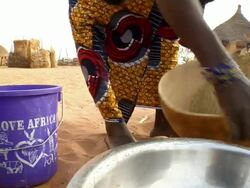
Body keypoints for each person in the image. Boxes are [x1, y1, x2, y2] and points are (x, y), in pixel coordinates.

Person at [69, 0, 250, 147]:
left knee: (164, 55)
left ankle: (164, 124)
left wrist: (195, 24)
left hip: (159, 7)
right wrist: (227, 75)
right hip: (101, 4)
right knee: (96, 61)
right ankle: (115, 128)